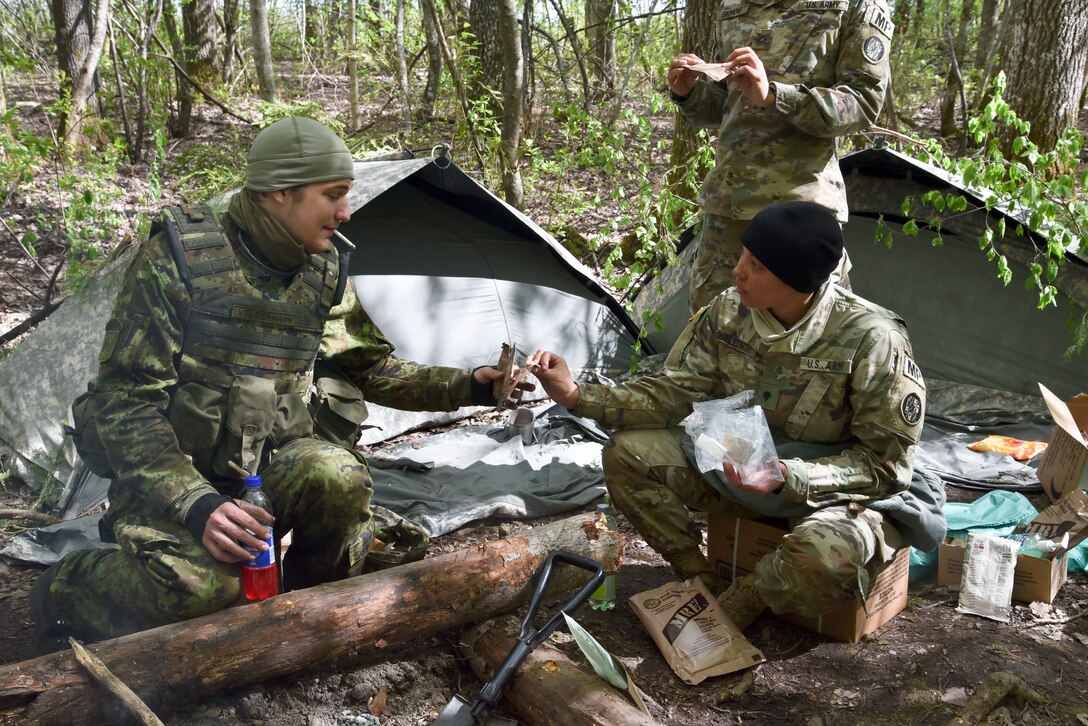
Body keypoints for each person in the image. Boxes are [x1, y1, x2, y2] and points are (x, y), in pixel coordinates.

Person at [30, 117, 526, 654]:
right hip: (170, 487)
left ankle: (300, 627)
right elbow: (124, 406)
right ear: (280, 193)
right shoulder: (179, 260)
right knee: (204, 589)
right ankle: (67, 585)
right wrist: (195, 505)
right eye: (333, 195)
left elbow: (370, 366)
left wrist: (472, 386)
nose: (346, 213)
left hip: (262, 480)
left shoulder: (323, 270)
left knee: (338, 474)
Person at [529, 201, 944, 630]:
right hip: (743, 471)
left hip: (833, 493)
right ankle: (700, 576)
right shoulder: (728, 310)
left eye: (757, 266)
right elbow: (673, 393)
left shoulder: (872, 339)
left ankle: (747, 597)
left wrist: (789, 475)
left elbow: (886, 466)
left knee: (823, 559)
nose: (737, 272)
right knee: (627, 453)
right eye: (743, 256)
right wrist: (577, 395)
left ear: (798, 283)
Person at [667, 0, 894, 312]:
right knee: (715, 338)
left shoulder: (855, 5)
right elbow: (727, 105)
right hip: (729, 211)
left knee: (807, 343)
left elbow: (862, 103)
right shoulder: (734, 6)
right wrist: (689, 93)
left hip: (801, 213)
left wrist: (776, 96)